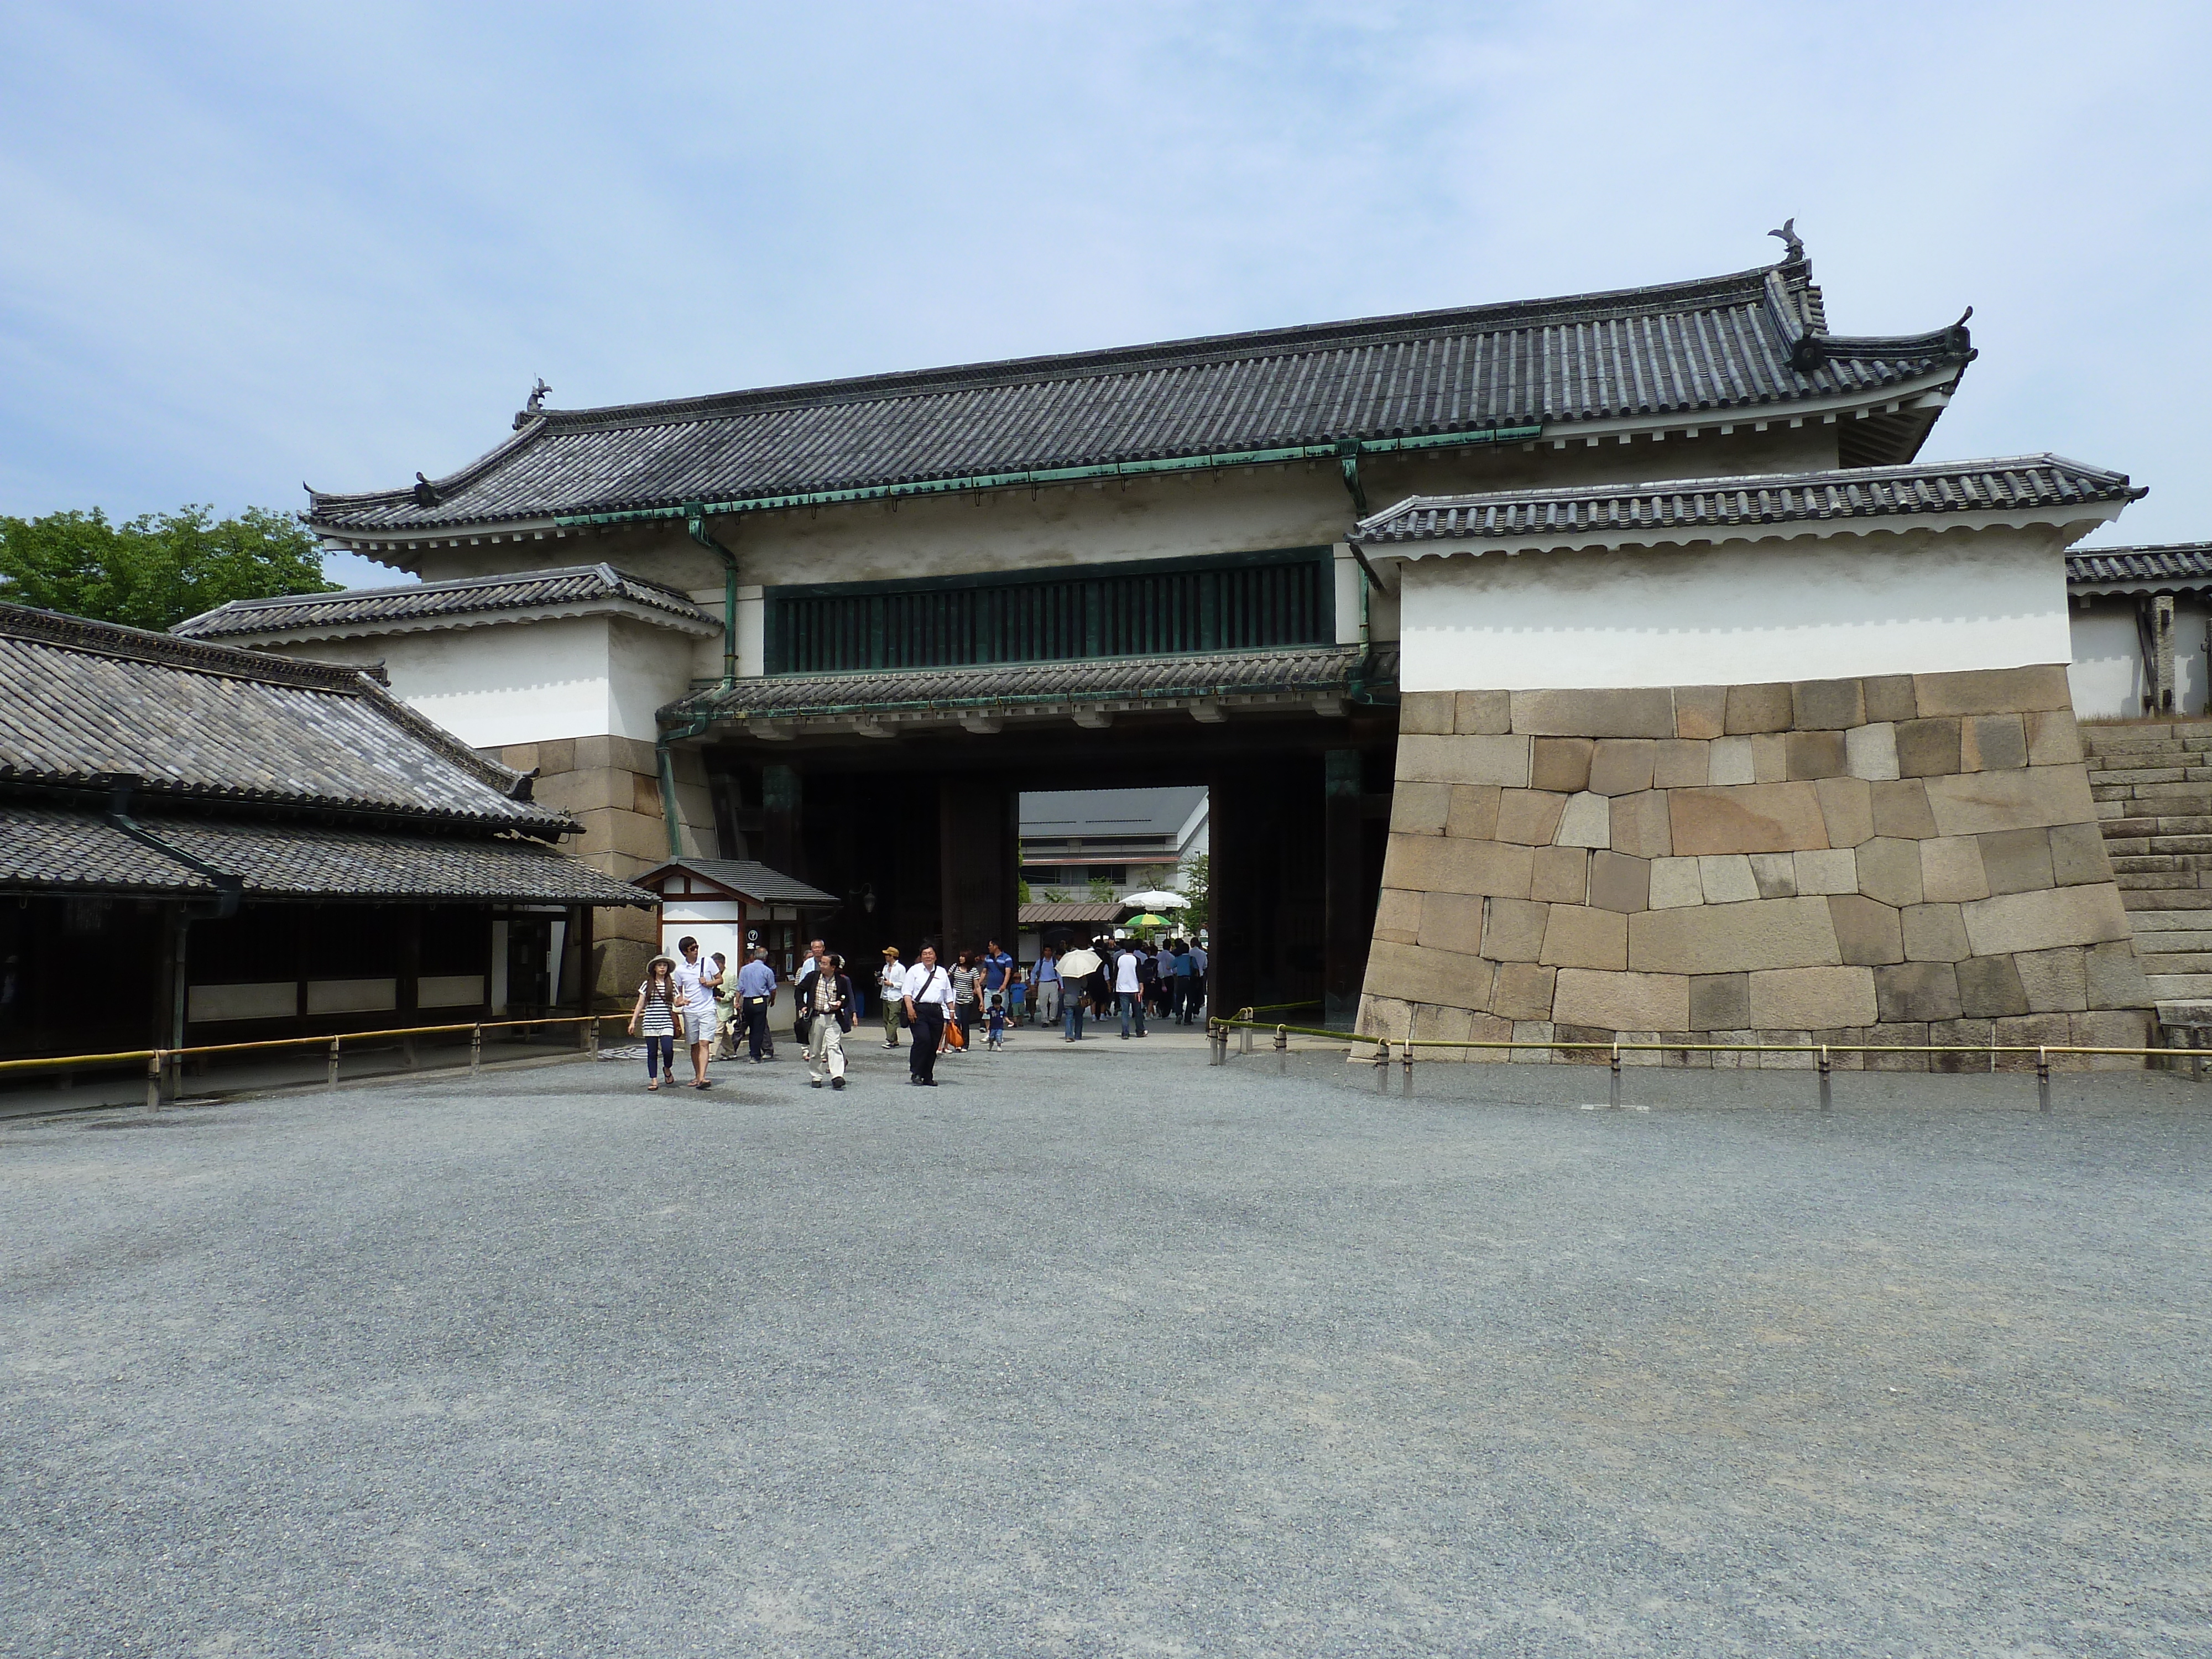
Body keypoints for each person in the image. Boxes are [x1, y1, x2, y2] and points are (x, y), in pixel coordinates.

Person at [794, 950, 855, 1090]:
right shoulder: (813, 977)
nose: (821, 966)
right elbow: (799, 990)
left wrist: (840, 1003)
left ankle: (837, 1076)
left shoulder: (841, 980)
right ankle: (816, 1076)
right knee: (815, 1049)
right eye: (821, 963)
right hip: (817, 1016)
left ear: (833, 967)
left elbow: (846, 997)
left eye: (825, 964)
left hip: (834, 1018)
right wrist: (802, 1006)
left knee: (834, 1046)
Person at [671, 936, 722, 1089]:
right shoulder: (680, 970)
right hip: (690, 1010)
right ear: (685, 952)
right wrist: (680, 1001)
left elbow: (720, 980)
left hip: (707, 1008)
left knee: (704, 1043)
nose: (696, 950)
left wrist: (709, 983)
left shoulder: (708, 962)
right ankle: (697, 1075)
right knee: (694, 1045)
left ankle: (702, 1077)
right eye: (692, 949)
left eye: (697, 947)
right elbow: (679, 991)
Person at [627, 953, 681, 1090]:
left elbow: (676, 1002)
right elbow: (640, 1004)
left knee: (668, 1050)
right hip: (650, 1021)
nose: (662, 968)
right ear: (655, 968)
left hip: (666, 1021)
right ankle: (654, 1080)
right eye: (660, 965)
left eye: (665, 966)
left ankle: (667, 1068)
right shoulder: (647, 984)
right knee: (652, 1053)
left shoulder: (672, 984)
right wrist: (633, 1021)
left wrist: (683, 1002)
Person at [901, 944, 953, 1086]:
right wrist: (910, 1009)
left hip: (936, 1010)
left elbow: (948, 994)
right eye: (925, 954)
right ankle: (916, 1072)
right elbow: (906, 992)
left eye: (930, 954)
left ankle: (928, 1075)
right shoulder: (914, 971)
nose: (928, 956)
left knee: (934, 1044)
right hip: (919, 1010)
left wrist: (952, 1011)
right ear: (921, 956)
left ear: (935, 956)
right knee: (923, 1040)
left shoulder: (942, 972)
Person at [734, 945, 778, 1063]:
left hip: (747, 1001)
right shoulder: (767, 971)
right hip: (760, 1001)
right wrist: (772, 1000)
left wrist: (737, 1001)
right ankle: (755, 1055)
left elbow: (740, 988)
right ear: (765, 958)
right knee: (758, 1029)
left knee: (751, 1028)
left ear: (754, 957)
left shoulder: (744, 969)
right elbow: (773, 988)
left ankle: (753, 1053)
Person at [979, 939, 1014, 1043]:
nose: (989, 947)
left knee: (1000, 1013)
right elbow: (984, 972)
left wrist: (1004, 985)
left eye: (990, 946)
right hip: (989, 988)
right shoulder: (988, 959)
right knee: (986, 1011)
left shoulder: (1007, 958)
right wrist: (978, 984)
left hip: (1000, 989)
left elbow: (1008, 972)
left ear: (996, 946)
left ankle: (999, 1033)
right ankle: (990, 1033)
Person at [949, 950, 980, 1053]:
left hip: (967, 1000)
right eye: (960, 956)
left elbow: (977, 986)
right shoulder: (955, 967)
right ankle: (958, 1043)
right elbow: (946, 977)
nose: (960, 958)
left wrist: (981, 1001)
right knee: (957, 1021)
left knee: (965, 1023)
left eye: (963, 956)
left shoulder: (973, 971)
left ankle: (966, 1044)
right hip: (956, 999)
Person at [1115, 940, 1146, 1039]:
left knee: (1125, 1012)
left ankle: (1125, 1033)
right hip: (1134, 989)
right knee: (1137, 1011)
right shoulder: (1136, 959)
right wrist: (1141, 987)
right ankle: (1140, 1031)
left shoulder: (1120, 959)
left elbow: (1115, 973)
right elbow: (1139, 974)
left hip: (1122, 988)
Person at [877, 947, 905, 1048]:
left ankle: (890, 1040)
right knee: (886, 1019)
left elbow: (903, 984)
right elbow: (883, 982)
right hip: (885, 995)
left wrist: (891, 984)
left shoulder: (901, 968)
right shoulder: (885, 967)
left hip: (896, 997)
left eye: (887, 955)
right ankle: (895, 1040)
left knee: (893, 1019)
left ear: (892, 956)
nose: (886, 957)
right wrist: (880, 980)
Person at [1033, 946, 1062, 1030]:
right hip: (1043, 983)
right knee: (1043, 1003)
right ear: (1044, 952)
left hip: (1053, 982)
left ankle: (1052, 1017)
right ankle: (1045, 1020)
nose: (1048, 952)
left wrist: (1062, 986)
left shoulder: (1055, 962)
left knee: (1055, 1001)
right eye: (1046, 950)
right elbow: (1034, 972)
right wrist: (1032, 983)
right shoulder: (1040, 962)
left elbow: (1059, 974)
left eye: (1049, 950)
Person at [1187, 938, 1208, 1024]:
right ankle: (1196, 1011)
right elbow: (1205, 965)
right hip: (1200, 976)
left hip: (1190, 976)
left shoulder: (1189, 953)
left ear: (1192, 944)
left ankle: (1190, 1011)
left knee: (1191, 995)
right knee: (1199, 994)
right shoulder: (1203, 953)